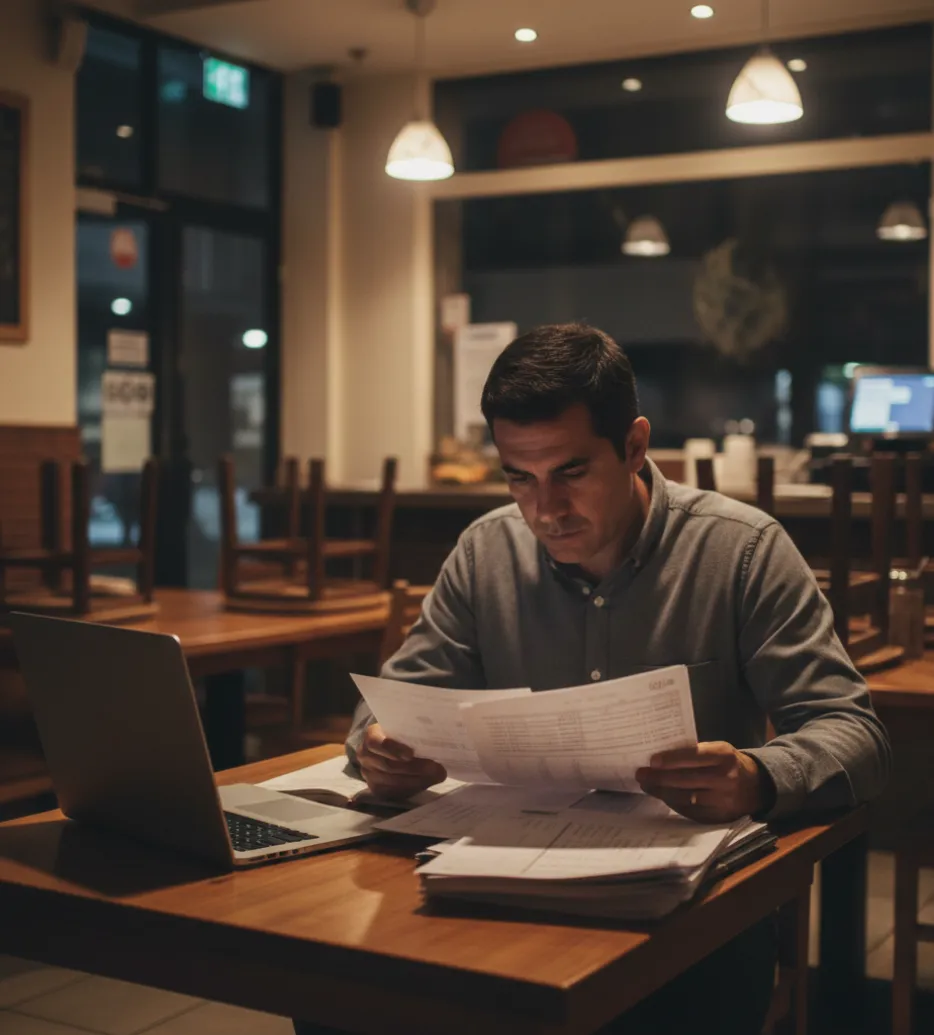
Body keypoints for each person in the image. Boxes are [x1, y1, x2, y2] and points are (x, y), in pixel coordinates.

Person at [297, 324, 891, 1035]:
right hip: (499, 885)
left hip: (684, 915)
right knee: (338, 995)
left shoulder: (741, 551)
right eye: (519, 476)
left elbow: (856, 733)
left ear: (636, 446)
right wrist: (380, 749)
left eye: (570, 473)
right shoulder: (486, 552)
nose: (543, 510)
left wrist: (758, 775)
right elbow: (388, 707)